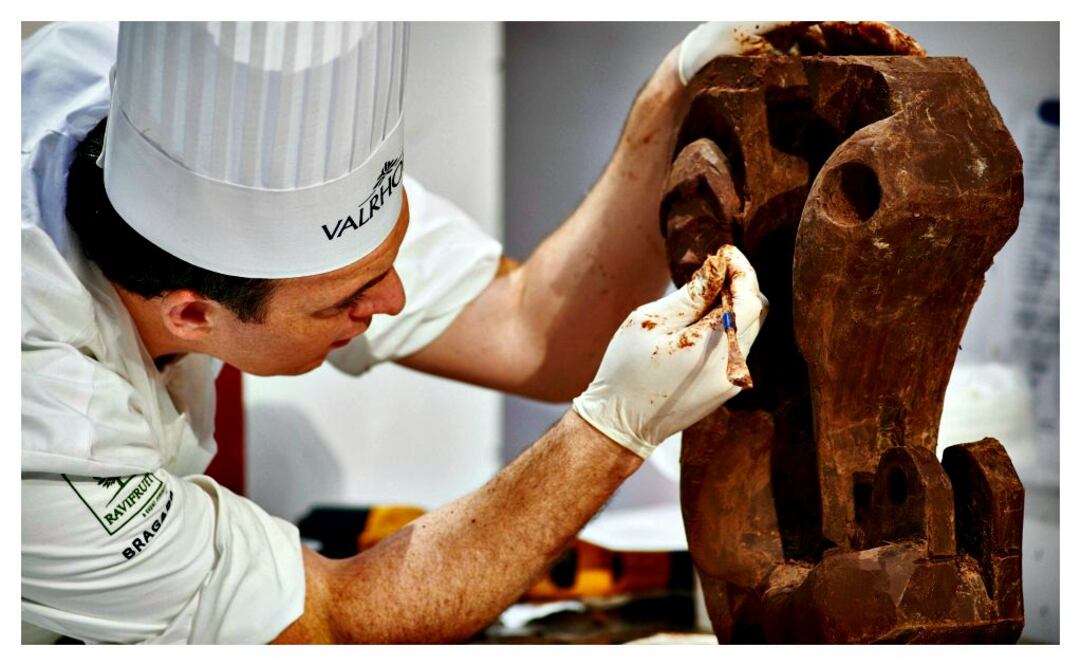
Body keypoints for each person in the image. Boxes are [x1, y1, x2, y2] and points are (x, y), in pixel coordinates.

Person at [22, 21, 770, 644]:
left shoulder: (151, 108)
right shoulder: (42, 427)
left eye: (389, 258)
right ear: (191, 313)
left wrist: (674, 85)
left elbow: (528, 331)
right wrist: (616, 427)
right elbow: (328, 625)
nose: (395, 296)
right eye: (346, 299)